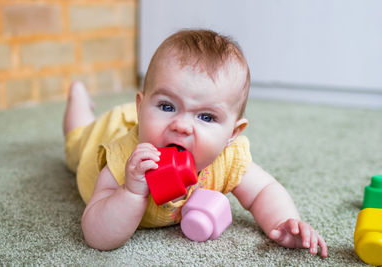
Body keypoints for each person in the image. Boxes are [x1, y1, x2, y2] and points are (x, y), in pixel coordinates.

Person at [63, 29, 328, 257]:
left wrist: (284, 221)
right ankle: (78, 98)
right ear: (141, 108)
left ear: (232, 134)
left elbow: (263, 191)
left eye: (205, 116)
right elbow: (96, 236)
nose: (182, 125)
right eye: (166, 106)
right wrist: (131, 192)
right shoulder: (124, 158)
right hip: (101, 134)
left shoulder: (229, 157)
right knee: (77, 136)